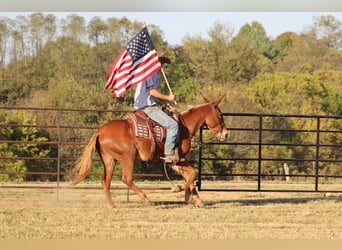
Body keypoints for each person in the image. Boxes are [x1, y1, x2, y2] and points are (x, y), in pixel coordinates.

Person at [134, 56, 179, 163]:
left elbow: (155, 95)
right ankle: (168, 154)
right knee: (173, 125)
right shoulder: (150, 73)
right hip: (147, 108)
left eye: (163, 63)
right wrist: (168, 97)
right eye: (161, 62)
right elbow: (152, 92)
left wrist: (167, 104)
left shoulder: (150, 73)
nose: (162, 66)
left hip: (145, 105)